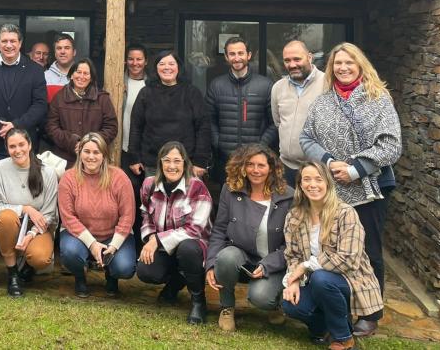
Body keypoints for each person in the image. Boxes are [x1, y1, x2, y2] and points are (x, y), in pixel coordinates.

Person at [300, 42, 401, 337]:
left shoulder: (378, 98)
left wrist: (355, 169)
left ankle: (370, 312)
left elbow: (392, 144)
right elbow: (307, 138)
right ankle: (337, 307)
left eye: (349, 63)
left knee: (367, 251)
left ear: (360, 65)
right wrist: (330, 162)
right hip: (332, 188)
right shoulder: (323, 102)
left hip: (370, 187)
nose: (343, 68)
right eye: (338, 63)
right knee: (332, 249)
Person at [282, 162, 383, 350]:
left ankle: (343, 338)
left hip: (350, 279)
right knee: (290, 304)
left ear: (328, 183)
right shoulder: (294, 216)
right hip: (316, 280)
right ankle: (324, 328)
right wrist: (294, 280)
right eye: (307, 179)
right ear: (300, 185)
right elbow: (292, 255)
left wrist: (305, 266)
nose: (313, 185)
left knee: (322, 279)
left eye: (318, 179)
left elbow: (348, 260)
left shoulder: (346, 213)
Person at [205, 143, 294, 332]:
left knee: (261, 298)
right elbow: (219, 230)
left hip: (273, 260)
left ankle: (274, 304)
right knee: (226, 257)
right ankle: (227, 307)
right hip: (242, 255)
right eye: (250, 164)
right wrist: (211, 263)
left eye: (261, 165)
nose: (255, 170)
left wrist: (269, 264)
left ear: (271, 168)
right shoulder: (230, 190)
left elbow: (292, 245)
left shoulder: (288, 196)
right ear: (242, 167)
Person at [136, 141, 213, 324]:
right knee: (146, 271)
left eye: (177, 161)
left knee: (187, 249)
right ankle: (177, 281)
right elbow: (145, 214)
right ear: (160, 163)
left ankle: (198, 301)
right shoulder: (149, 184)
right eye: (167, 160)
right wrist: (150, 239)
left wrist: (157, 240)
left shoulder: (197, 187)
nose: (172, 166)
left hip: (194, 246)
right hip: (164, 247)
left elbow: (195, 229)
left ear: (185, 164)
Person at [58, 133, 136, 298]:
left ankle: (112, 276)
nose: (91, 156)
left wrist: (112, 247)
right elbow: (68, 218)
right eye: (87, 152)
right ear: (80, 153)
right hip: (79, 235)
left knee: (125, 267)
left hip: (112, 235)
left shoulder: (119, 177)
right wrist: (92, 244)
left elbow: (128, 216)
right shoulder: (68, 178)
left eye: (96, 152)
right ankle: (80, 277)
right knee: (70, 252)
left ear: (104, 155)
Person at [0, 128, 58, 298]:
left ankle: (29, 264)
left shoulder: (48, 172)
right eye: (12, 146)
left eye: (21, 144)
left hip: (38, 225)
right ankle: (13, 273)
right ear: (7, 149)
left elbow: (50, 213)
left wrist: (31, 234)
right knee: (5, 217)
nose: (17, 150)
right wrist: (24, 208)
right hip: (12, 222)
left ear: (29, 145)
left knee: (40, 257)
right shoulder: (0, 167)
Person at [0, 24, 47, 159]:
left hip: (24, 145)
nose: (8, 45)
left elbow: (40, 105)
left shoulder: (36, 71)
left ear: (20, 43)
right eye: (4, 41)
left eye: (13, 41)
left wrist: (16, 126)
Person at [128, 50, 210, 178]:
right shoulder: (146, 93)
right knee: (155, 198)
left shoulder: (192, 93)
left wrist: (201, 160)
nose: (167, 67)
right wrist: (134, 157)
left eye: (171, 64)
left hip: (186, 164)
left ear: (178, 67)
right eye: (162, 64)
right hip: (153, 164)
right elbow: (136, 127)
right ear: (156, 68)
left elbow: (203, 128)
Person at [204, 36, 276, 177]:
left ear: (248, 55)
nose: (237, 58)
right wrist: (218, 143)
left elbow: (274, 122)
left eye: (240, 53)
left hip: (256, 158)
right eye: (232, 54)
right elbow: (208, 119)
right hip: (226, 158)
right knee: (228, 195)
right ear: (226, 57)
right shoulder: (216, 85)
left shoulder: (266, 85)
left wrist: (260, 145)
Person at [272, 40, 326, 188]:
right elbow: (278, 122)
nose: (292, 64)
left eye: (297, 59)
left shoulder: (328, 84)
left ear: (309, 57)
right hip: (286, 168)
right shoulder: (278, 88)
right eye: (287, 60)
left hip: (318, 169)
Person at [45, 58, 118, 167]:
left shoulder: (102, 99)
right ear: (71, 75)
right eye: (78, 72)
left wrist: (90, 144)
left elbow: (111, 127)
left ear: (91, 77)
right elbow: (51, 127)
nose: (81, 77)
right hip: (65, 159)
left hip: (94, 159)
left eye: (86, 73)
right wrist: (72, 142)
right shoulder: (59, 97)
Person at [120, 44, 147, 173]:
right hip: (122, 146)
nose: (135, 63)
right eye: (131, 59)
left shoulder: (151, 85)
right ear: (125, 60)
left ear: (146, 61)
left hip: (146, 146)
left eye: (139, 59)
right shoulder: (117, 82)